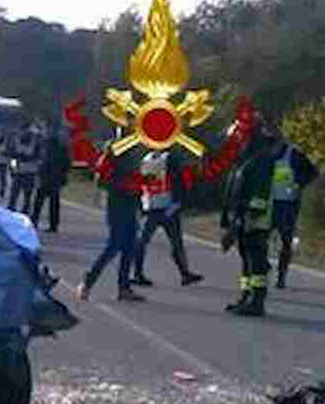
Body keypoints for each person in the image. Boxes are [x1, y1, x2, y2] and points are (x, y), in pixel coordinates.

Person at [221, 115, 299, 317]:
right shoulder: (245, 160)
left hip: (256, 219)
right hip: (245, 217)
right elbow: (235, 191)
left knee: (256, 261)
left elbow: (259, 196)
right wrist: (231, 221)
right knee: (246, 259)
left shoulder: (260, 159)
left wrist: (243, 219)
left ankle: (257, 301)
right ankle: (246, 296)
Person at [77, 134, 147, 302]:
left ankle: (124, 288)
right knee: (114, 245)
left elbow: (136, 177)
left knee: (130, 246)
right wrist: (126, 185)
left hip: (131, 203)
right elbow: (104, 178)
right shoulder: (115, 150)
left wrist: (140, 187)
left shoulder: (135, 151)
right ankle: (88, 281)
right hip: (117, 203)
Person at [130, 150, 203, 287]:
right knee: (173, 243)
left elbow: (142, 184)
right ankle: (184, 274)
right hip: (164, 207)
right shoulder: (169, 159)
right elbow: (181, 182)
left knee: (143, 242)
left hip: (153, 207)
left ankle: (138, 274)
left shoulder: (147, 159)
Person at [269, 128, 319, 288]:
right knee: (259, 238)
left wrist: (299, 184)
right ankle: (264, 266)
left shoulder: (294, 155)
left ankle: (281, 275)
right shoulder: (266, 155)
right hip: (269, 204)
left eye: (275, 143)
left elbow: (313, 172)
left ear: (281, 141)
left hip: (288, 204)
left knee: (286, 241)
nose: (273, 147)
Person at [32, 126, 70, 232]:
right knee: (53, 203)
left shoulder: (45, 147)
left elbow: (40, 162)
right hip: (54, 179)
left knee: (39, 202)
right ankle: (53, 225)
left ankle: (35, 221)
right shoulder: (62, 148)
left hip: (47, 178)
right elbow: (67, 164)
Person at [8, 123, 42, 213]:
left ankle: (25, 210)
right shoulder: (16, 140)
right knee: (14, 193)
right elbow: (13, 157)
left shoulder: (36, 141)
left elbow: (38, 157)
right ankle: (11, 209)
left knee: (27, 195)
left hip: (30, 172)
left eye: (26, 130)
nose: (24, 132)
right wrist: (12, 169)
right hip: (18, 172)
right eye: (23, 130)